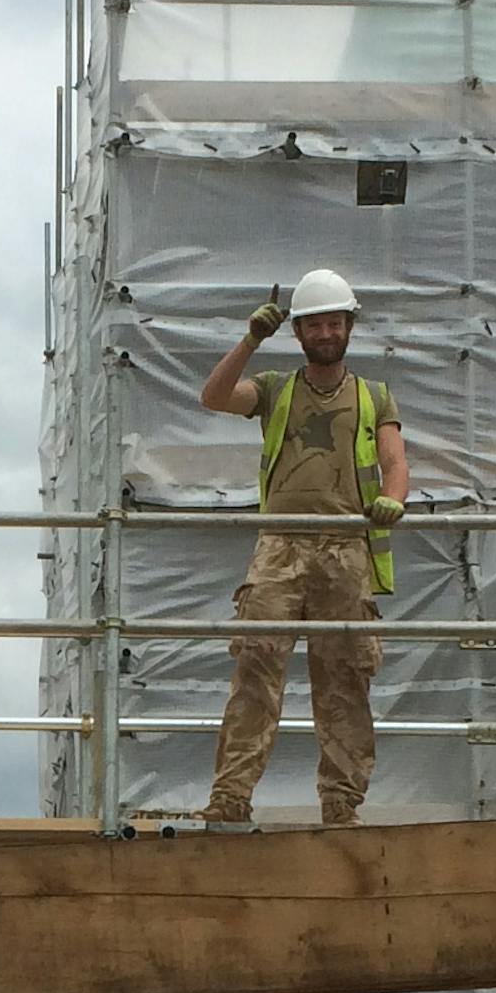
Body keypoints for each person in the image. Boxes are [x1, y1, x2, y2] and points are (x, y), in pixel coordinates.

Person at [194, 267, 407, 828]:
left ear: (348, 326)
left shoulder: (373, 396)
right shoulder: (274, 390)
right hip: (280, 546)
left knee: (344, 679)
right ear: (300, 332)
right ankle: (230, 798)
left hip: (345, 549)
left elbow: (395, 461)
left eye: (334, 322)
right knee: (255, 672)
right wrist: (250, 339)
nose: (325, 332)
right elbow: (214, 396)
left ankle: (342, 803)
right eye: (314, 324)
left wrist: (393, 499)